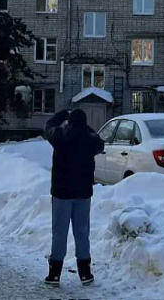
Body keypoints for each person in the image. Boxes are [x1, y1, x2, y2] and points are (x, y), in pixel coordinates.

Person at [42, 108, 105, 287]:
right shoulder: (90, 140)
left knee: (59, 233)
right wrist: (85, 127)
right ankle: (85, 273)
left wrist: (61, 115)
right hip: (83, 193)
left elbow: (47, 128)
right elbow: (100, 142)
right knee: (82, 232)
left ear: (69, 123)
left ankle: (54, 274)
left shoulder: (60, 136)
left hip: (62, 193)